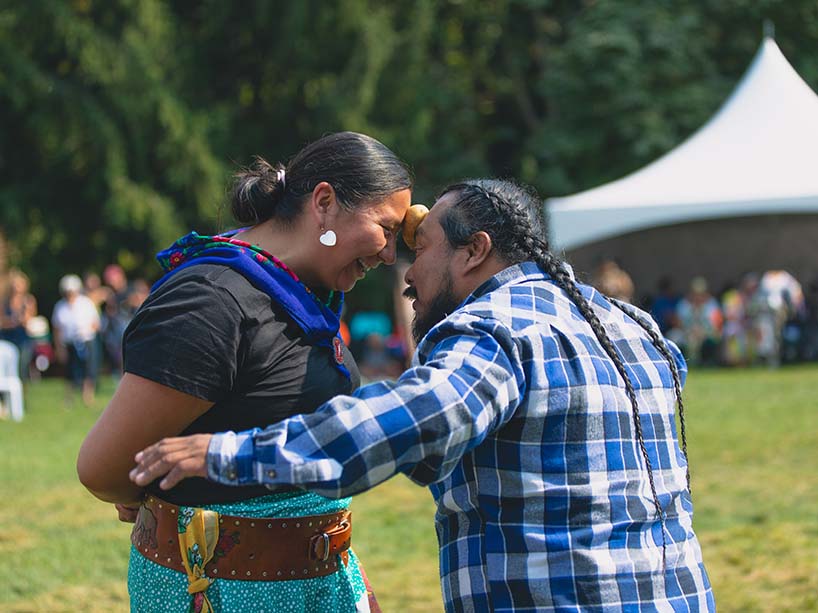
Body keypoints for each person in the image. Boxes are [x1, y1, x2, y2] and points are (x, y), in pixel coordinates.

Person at [131, 179, 715, 612]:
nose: (403, 270)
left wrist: (223, 454)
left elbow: (403, 425)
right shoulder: (633, 325)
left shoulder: (498, 330)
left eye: (422, 246)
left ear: (473, 251)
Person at [78, 132, 412, 612]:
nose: (387, 255)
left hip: (314, 586)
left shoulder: (304, 296)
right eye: (386, 228)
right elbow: (103, 469)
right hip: (224, 594)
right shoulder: (210, 302)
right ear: (324, 202)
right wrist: (147, 488)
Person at [52, 274, 100, 406]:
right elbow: (57, 329)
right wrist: (59, 348)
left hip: (86, 341)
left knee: (88, 369)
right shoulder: (60, 306)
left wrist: (85, 331)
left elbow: (96, 323)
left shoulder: (86, 303)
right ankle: (69, 397)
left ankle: (88, 397)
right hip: (69, 342)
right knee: (70, 371)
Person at [1, 268, 38, 379]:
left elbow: (28, 321)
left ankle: (21, 393)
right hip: (7, 337)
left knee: (22, 368)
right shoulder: (5, 302)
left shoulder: (29, 300)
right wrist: (14, 321)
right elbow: (2, 321)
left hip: (23, 339)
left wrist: (15, 320)